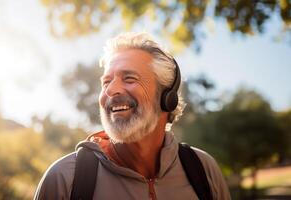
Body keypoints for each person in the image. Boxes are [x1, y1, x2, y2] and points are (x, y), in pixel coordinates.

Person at [34, 32, 231, 200]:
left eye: (129, 78)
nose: (111, 90)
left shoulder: (203, 169)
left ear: (166, 97)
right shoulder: (65, 179)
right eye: (106, 82)